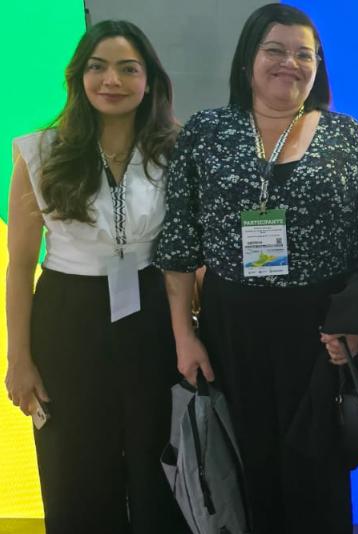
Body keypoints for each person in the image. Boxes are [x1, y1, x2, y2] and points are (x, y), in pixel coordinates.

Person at [154, 4, 358, 532]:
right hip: (231, 331)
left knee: (317, 474)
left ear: (318, 65)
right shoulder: (207, 132)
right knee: (242, 469)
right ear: (247, 61)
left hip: (321, 333)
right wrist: (184, 338)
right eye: (275, 50)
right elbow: (178, 247)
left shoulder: (347, 137)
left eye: (304, 54)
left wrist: (357, 327)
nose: (290, 63)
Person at [4, 20, 186, 534]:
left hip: (151, 311)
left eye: (128, 69)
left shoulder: (174, 150)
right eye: (98, 67)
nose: (112, 80)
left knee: (158, 461)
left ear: (149, 81)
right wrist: (19, 359)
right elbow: (19, 266)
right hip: (68, 315)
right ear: (79, 77)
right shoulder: (41, 152)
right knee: (75, 467)